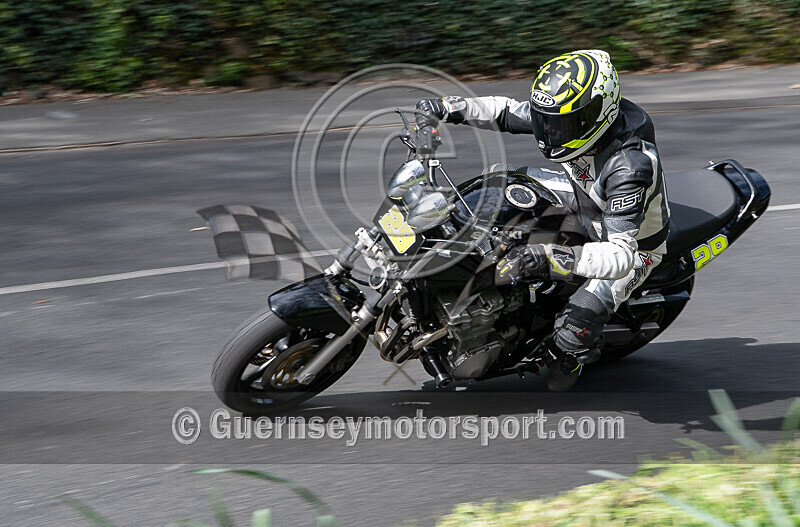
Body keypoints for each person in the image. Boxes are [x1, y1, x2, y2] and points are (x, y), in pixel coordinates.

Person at [415, 49, 669, 390]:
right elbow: (504, 111)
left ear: (598, 114)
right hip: (582, 196)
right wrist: (447, 107)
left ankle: (573, 356)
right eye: (545, 119)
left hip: (632, 245)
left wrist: (552, 258)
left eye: (560, 124)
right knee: (499, 183)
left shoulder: (630, 166)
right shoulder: (566, 113)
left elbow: (621, 255)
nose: (549, 131)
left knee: (573, 328)